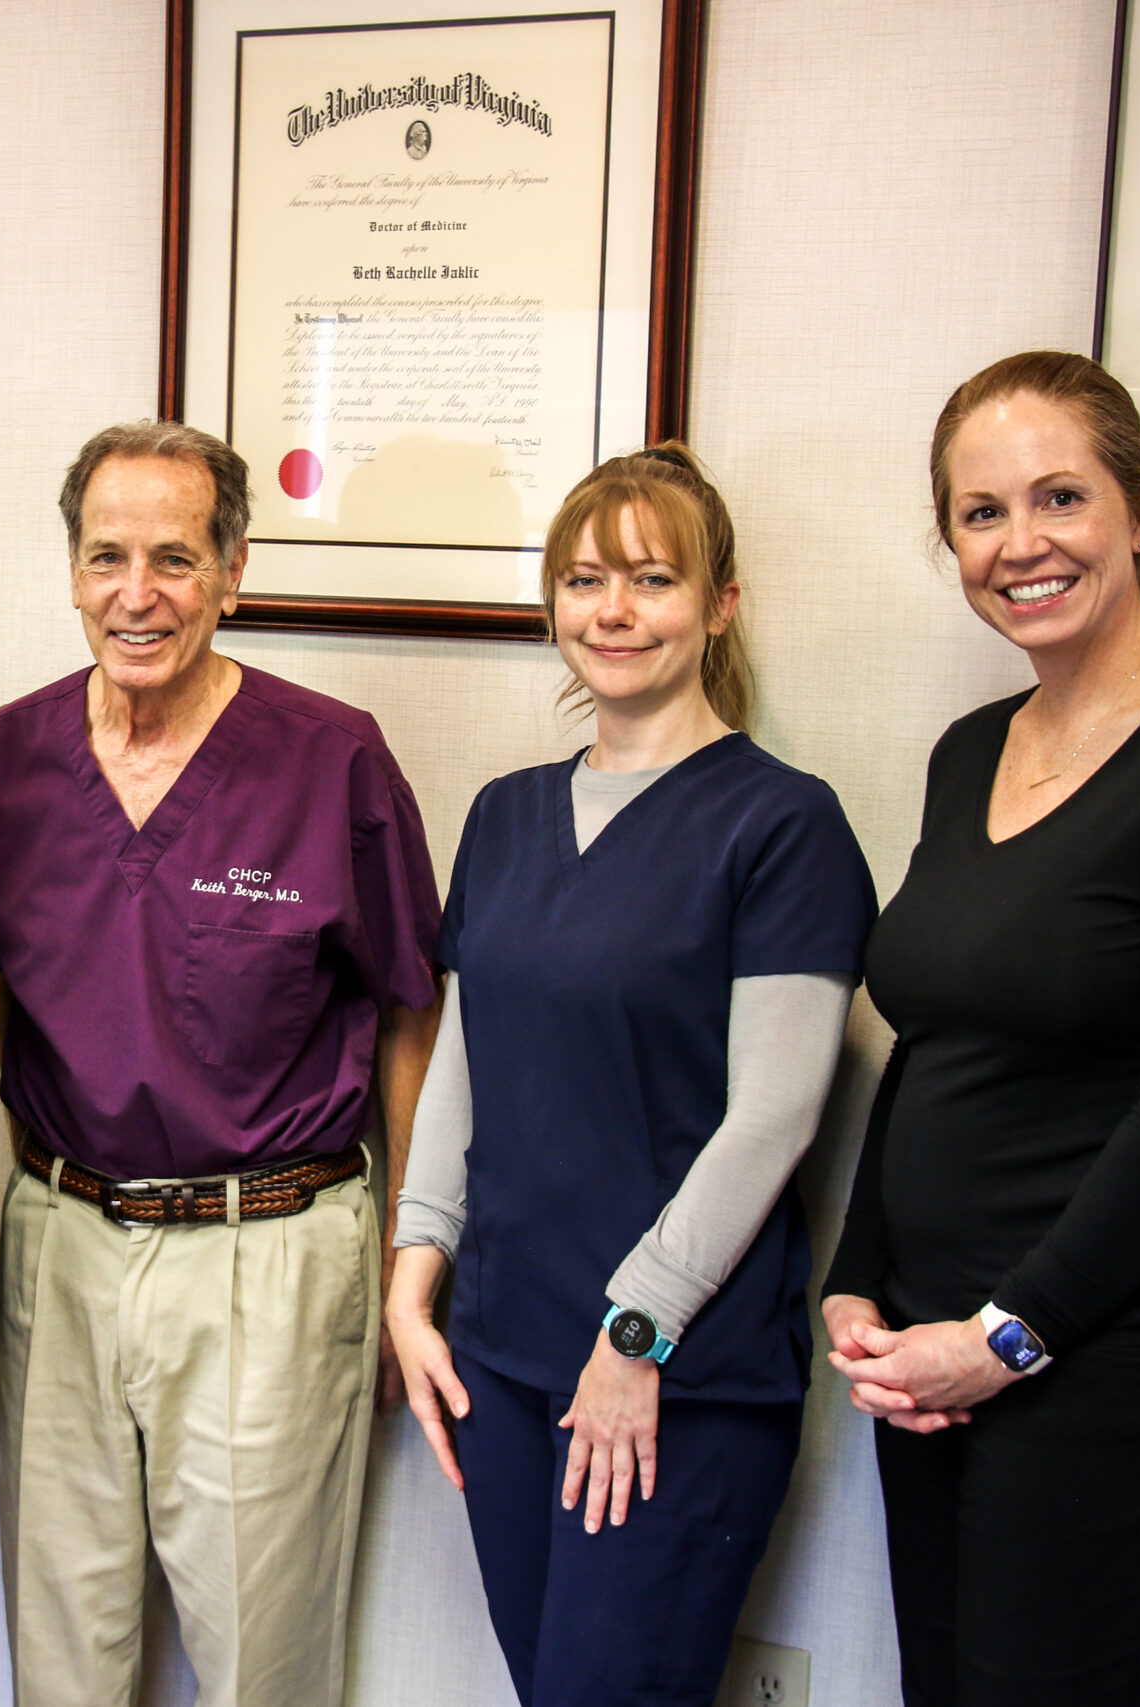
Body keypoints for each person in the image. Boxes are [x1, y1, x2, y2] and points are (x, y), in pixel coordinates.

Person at [819, 351, 1140, 1707]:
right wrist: (860, 1274)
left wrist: (1008, 1335)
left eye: (1061, 495)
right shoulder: (970, 748)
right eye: (981, 512)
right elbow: (933, 1034)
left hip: (1111, 1367)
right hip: (932, 1359)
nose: (1022, 542)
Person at [0, 421, 444, 1707]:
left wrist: (401, 1263)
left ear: (233, 569)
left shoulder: (330, 756)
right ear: (68, 570)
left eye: (174, 557)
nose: (136, 593)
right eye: (106, 555)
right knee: (62, 1644)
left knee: (257, 1657)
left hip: (266, 1249)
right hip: (62, 1239)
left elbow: (407, 1015)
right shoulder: (11, 759)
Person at [383, 445, 876, 1707]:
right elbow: (463, 1066)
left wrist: (634, 1329)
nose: (613, 611)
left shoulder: (781, 825)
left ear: (718, 606)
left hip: (673, 1373)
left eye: (653, 579)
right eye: (585, 579)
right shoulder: (502, 814)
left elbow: (775, 1115)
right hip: (500, 1352)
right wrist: (411, 1276)